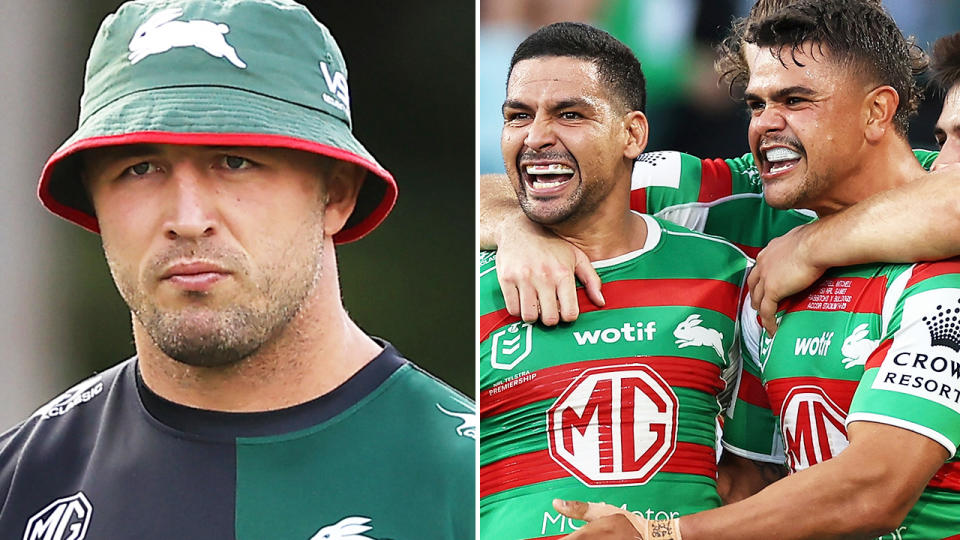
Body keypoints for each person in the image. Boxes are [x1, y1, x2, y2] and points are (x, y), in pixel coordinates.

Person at [0, 1, 474, 539]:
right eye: (140, 168)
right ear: (94, 203)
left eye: (235, 161)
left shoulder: (480, 485)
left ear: (337, 194)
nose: (187, 219)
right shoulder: (20, 487)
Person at [548, 1, 960, 538]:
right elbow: (758, 479)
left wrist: (667, 536)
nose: (765, 124)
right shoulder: (760, 251)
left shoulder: (940, 270)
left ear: (877, 111)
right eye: (756, 103)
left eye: (795, 100)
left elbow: (873, 490)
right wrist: (524, 232)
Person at [479, 22, 756, 540]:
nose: (537, 136)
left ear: (632, 134)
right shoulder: (475, 288)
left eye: (570, 114)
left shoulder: (730, 276)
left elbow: (754, 476)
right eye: (518, 115)